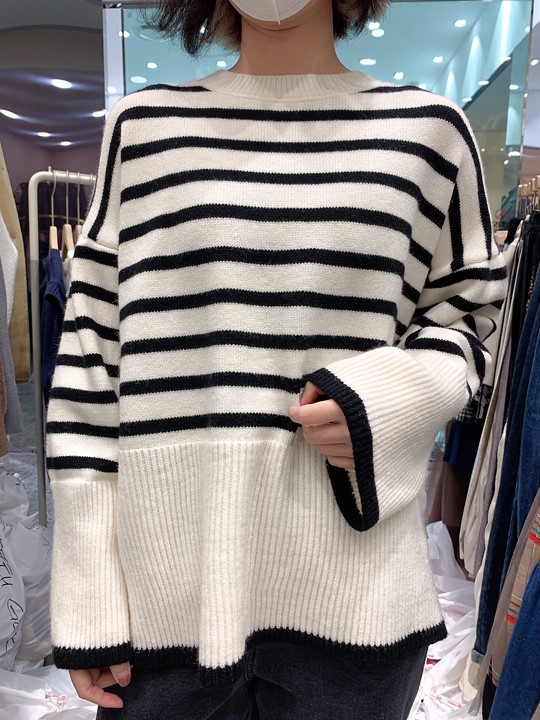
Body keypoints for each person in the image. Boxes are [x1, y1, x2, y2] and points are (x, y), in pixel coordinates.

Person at [45, 1, 507, 718]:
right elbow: (90, 366)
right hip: (163, 609)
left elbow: (471, 319)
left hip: (357, 608)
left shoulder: (430, 134)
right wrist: (89, 596)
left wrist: (389, 399)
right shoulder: (144, 131)